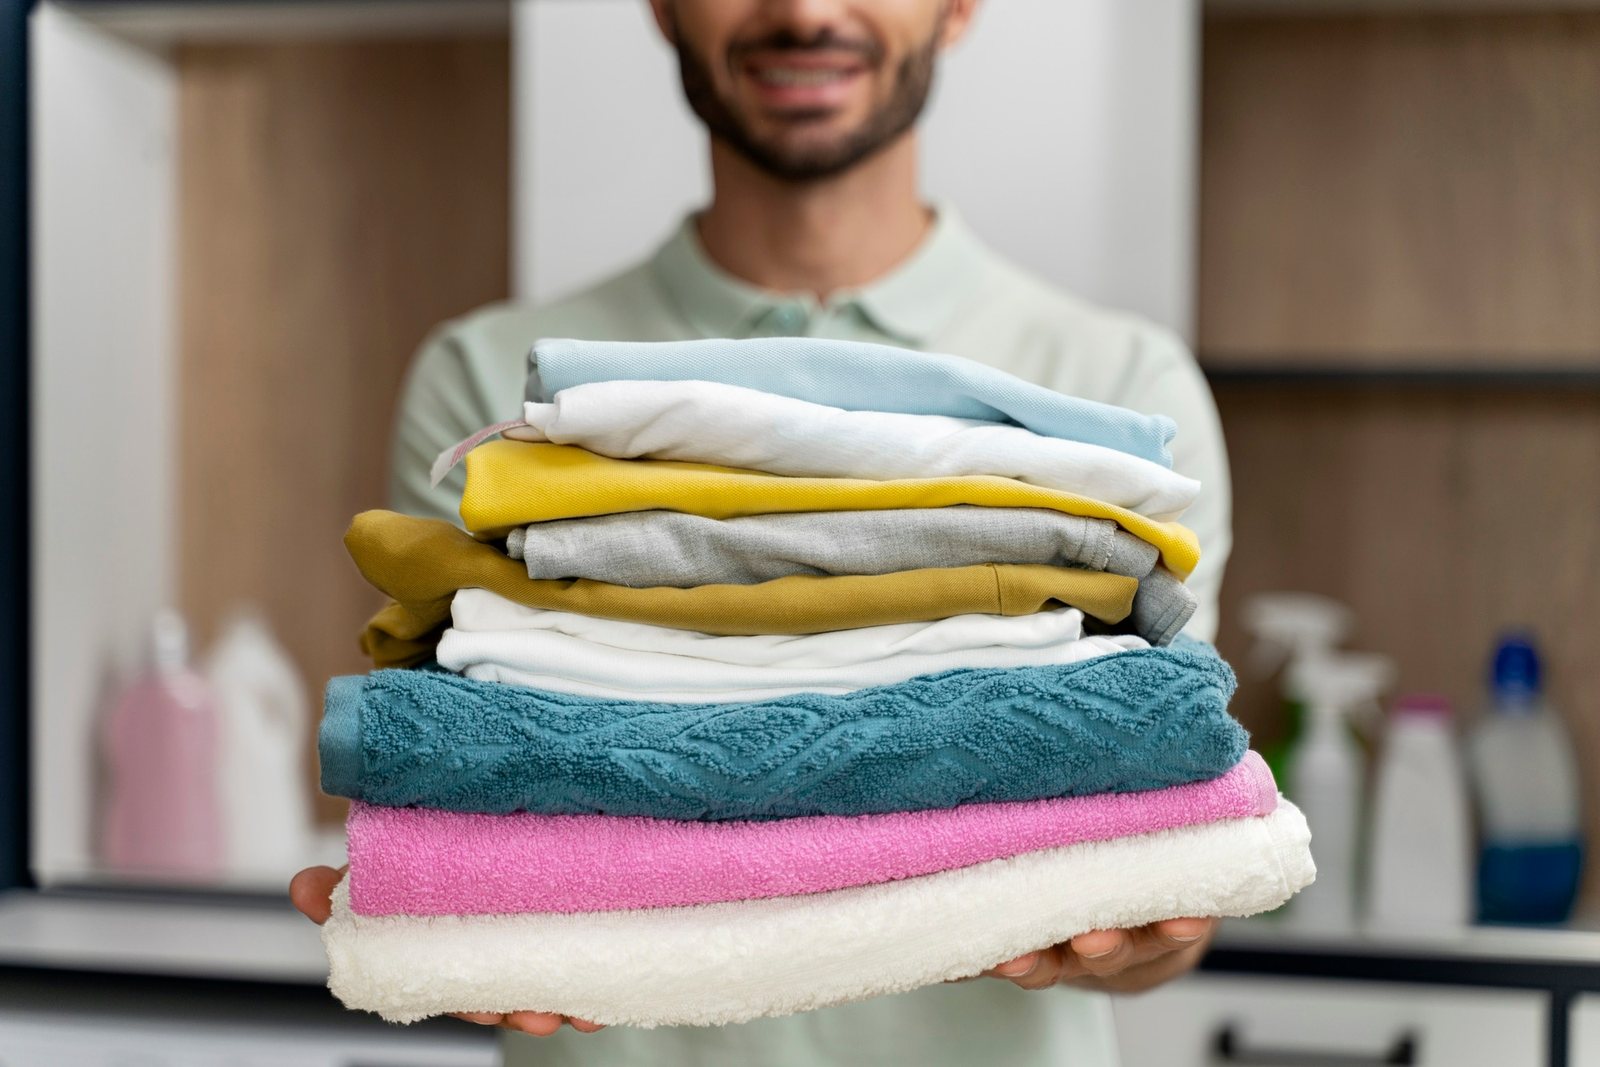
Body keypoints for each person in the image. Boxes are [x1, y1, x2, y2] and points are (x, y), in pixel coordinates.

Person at [291, 0, 1233, 1062]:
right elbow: (468, 762)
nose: (804, 9)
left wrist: (1132, 933)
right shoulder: (487, 386)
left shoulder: (1114, 401)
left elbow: (1160, 817)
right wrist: (459, 912)